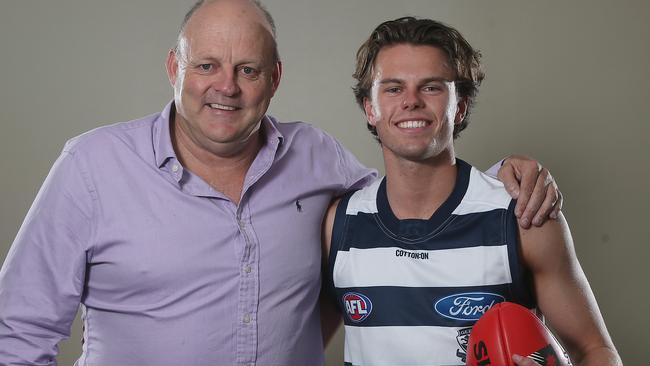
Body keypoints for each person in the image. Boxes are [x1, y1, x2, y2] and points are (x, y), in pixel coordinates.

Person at [0, 2, 561, 365]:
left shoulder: (315, 157)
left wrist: (499, 184)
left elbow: (407, 201)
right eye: (206, 66)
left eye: (247, 69)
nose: (227, 87)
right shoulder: (92, 167)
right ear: (174, 69)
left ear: (274, 79)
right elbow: (16, 333)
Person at [322, 17, 621, 366]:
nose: (411, 101)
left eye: (431, 87)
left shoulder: (523, 216)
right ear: (370, 108)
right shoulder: (338, 224)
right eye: (393, 88)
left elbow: (596, 350)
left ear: (460, 106)